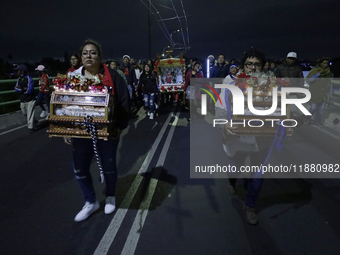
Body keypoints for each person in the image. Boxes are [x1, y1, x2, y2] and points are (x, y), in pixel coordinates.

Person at [215, 48, 290, 225]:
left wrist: (285, 126)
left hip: (262, 140)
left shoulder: (272, 86)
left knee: (257, 176)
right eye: (249, 64)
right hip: (238, 140)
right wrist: (224, 124)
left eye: (257, 64)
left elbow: (281, 110)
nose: (253, 67)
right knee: (236, 167)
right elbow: (220, 110)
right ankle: (232, 181)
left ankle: (250, 206)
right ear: (243, 66)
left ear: (263, 67)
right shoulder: (231, 86)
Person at [66, 39, 130, 222]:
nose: (88, 56)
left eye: (93, 52)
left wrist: (119, 126)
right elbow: (65, 104)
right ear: (80, 57)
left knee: (108, 166)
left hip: (107, 132)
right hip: (80, 132)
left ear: (100, 57)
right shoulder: (73, 76)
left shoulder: (113, 76)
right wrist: (66, 129)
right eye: (85, 53)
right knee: (79, 168)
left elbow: (124, 102)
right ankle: (90, 201)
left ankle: (110, 196)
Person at [305, 57, 333, 127]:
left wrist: (330, 92)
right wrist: (318, 74)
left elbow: (329, 83)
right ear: (320, 63)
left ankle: (317, 122)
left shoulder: (328, 73)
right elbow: (310, 80)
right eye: (324, 63)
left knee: (320, 110)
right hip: (314, 92)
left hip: (323, 93)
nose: (325, 65)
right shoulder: (314, 71)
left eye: (327, 63)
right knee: (313, 108)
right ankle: (307, 118)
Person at [14, 64, 36, 133]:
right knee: (24, 113)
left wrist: (20, 88)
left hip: (30, 99)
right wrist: (23, 89)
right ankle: (34, 121)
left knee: (30, 113)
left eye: (18, 71)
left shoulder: (29, 78)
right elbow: (15, 88)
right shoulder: (19, 79)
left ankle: (31, 127)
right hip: (22, 99)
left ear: (22, 71)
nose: (17, 72)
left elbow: (29, 90)